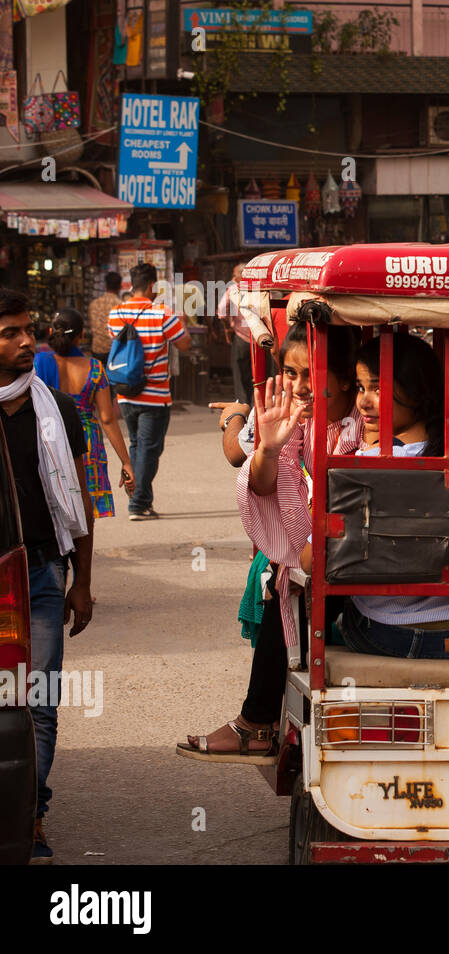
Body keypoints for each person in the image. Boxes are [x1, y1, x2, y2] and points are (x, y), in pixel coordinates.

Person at [179, 322, 361, 761]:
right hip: (314, 551)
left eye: (310, 374)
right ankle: (258, 720)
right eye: (290, 373)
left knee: (289, 586)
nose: (299, 386)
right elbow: (261, 485)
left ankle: (255, 723)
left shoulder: (361, 426)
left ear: (344, 380)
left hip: (351, 555)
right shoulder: (297, 421)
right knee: (282, 580)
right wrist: (269, 447)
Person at [335, 333, 449, 660]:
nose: (363, 402)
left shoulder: (365, 465)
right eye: (360, 387)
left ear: (415, 389)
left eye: (378, 388)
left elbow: (313, 561)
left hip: (394, 634)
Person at [0, 289, 94, 863]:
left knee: (38, 700)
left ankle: (29, 816)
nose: (26, 341)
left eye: (27, 330)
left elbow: (77, 501)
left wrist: (81, 581)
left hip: (40, 574)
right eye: (11, 332)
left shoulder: (56, 409)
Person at [107, 262, 191, 520]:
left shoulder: (116, 314)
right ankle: (138, 503)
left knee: (137, 446)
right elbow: (185, 344)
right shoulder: (162, 313)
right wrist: (181, 323)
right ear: (153, 285)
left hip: (125, 393)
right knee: (149, 449)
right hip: (154, 395)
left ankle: (140, 499)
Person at [43, 309, 135, 518]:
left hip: (51, 441)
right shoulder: (94, 368)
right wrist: (126, 462)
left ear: (51, 331)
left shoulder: (39, 364)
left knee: (53, 509)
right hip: (87, 444)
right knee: (86, 509)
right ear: (82, 335)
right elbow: (107, 419)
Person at [214, 264, 254, 406]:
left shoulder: (233, 289)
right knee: (258, 374)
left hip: (241, 338)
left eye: (234, 274)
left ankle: (243, 405)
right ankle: (257, 404)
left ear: (239, 276)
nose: (232, 277)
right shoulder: (260, 288)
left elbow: (222, 311)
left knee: (239, 374)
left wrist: (226, 329)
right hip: (259, 338)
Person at [87, 272, 122, 364]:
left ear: (105, 286)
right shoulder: (121, 306)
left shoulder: (94, 304)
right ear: (120, 287)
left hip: (97, 350)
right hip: (115, 351)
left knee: (99, 377)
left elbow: (92, 326)